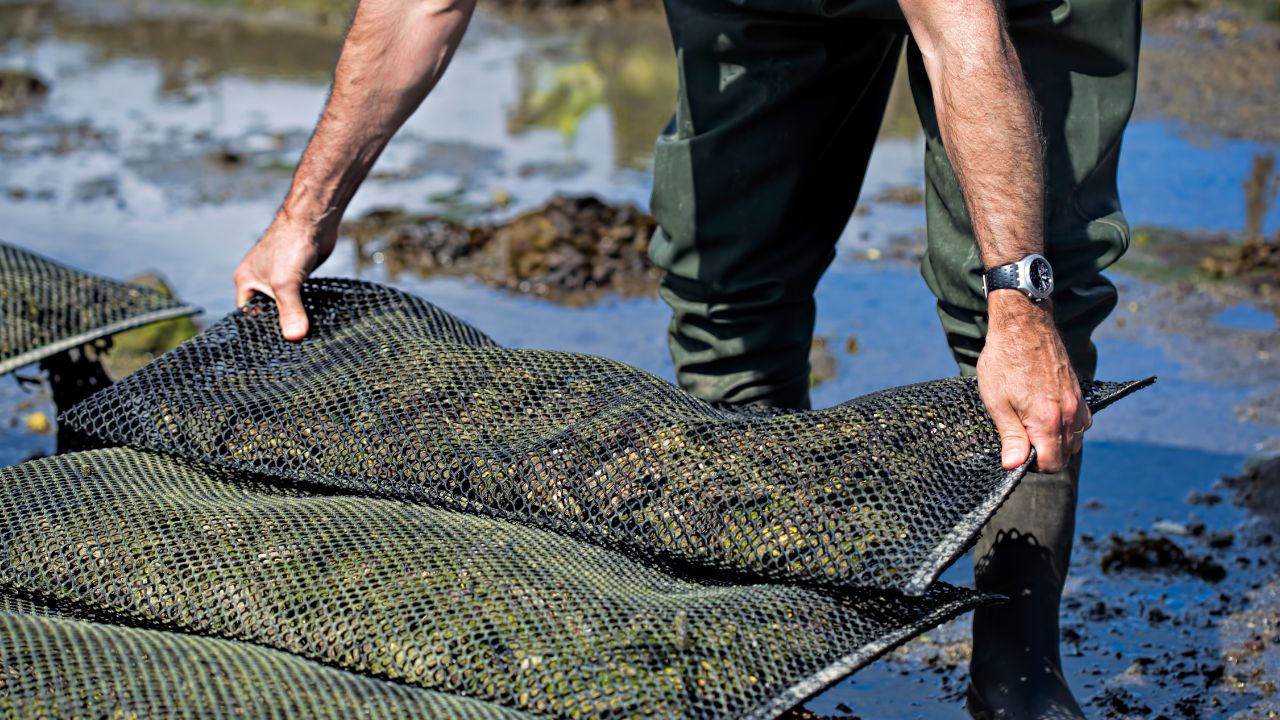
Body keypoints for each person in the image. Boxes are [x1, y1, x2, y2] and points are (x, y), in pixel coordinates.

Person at [234, 0, 1139, 716]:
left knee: (1029, 309)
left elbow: (962, 34)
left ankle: (1018, 672)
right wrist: (301, 219)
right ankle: (763, 638)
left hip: (1007, 11)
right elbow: (414, 9)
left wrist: (1019, 300)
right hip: (761, 8)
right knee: (726, 280)